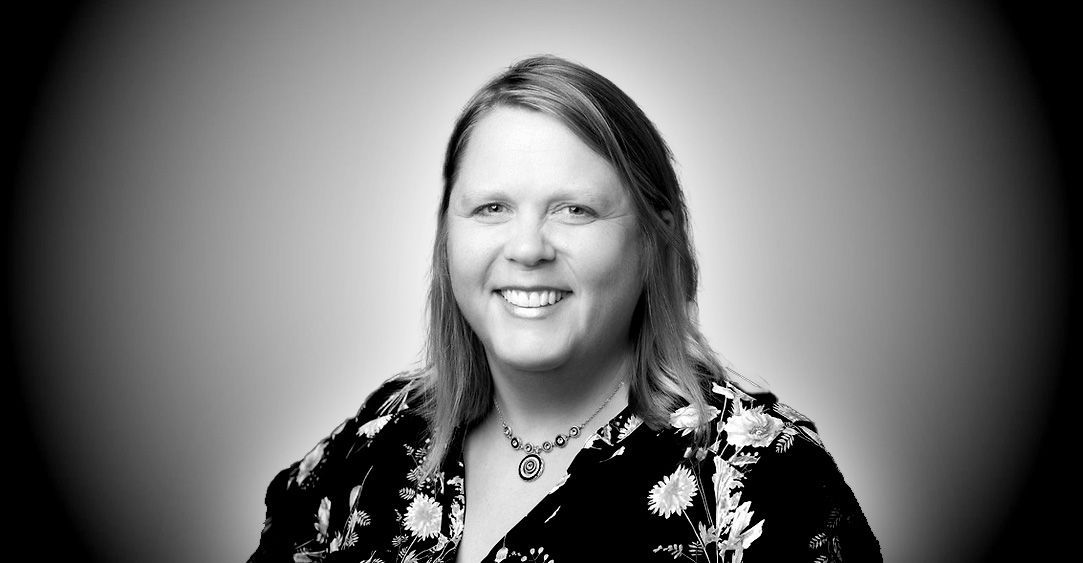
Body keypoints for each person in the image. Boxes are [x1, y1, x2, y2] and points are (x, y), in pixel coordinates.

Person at [247, 55, 881, 562]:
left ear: (653, 241)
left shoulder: (763, 477)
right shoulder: (376, 441)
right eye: (491, 208)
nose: (527, 249)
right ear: (448, 237)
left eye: (574, 209)